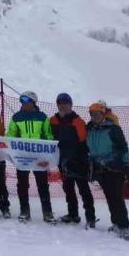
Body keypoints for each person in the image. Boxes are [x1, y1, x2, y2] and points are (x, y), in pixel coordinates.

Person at [6, 91, 54, 223]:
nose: (24, 104)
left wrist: (48, 153)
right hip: (23, 157)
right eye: (22, 102)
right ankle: (24, 211)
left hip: (39, 156)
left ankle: (47, 212)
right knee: (22, 184)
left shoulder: (42, 117)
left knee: (42, 184)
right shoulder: (16, 117)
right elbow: (11, 135)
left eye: (27, 101)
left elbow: (48, 135)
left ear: (33, 102)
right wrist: (10, 149)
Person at [87, 102, 129, 240]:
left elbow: (123, 148)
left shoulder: (113, 129)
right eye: (92, 114)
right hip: (99, 169)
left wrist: (126, 166)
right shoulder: (90, 129)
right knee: (109, 197)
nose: (95, 116)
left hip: (114, 168)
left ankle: (124, 227)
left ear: (103, 114)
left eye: (97, 114)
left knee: (116, 197)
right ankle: (116, 223)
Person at [50, 93, 96, 227]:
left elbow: (83, 142)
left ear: (70, 104)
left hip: (77, 161)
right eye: (60, 103)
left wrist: (80, 159)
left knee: (84, 190)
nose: (63, 105)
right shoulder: (52, 120)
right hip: (62, 162)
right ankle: (73, 214)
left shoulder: (78, 121)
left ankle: (90, 218)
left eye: (65, 103)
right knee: (68, 189)